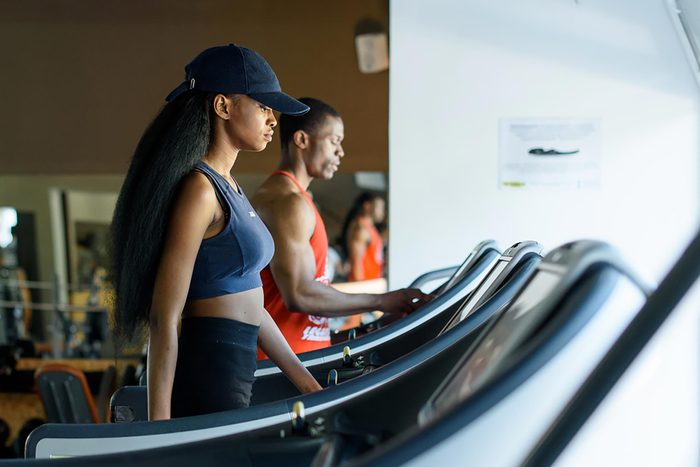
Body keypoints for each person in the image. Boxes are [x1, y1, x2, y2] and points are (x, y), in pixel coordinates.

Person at [109, 44, 322, 420]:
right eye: (262, 106)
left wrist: (306, 383)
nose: (274, 120)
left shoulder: (229, 185)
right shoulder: (200, 189)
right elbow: (164, 318)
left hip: (236, 373)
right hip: (209, 376)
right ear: (223, 107)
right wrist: (159, 430)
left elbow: (252, 301)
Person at [251, 97, 431, 358]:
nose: (341, 152)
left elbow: (307, 317)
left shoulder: (298, 200)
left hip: (303, 356)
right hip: (282, 367)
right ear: (301, 140)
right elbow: (300, 295)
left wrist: (368, 331)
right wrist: (381, 300)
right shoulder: (287, 202)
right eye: (334, 141)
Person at [341, 192, 386, 282]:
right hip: (364, 286)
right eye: (379, 207)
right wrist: (361, 291)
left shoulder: (371, 229)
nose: (382, 212)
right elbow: (356, 263)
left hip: (372, 284)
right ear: (367, 206)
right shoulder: (361, 229)